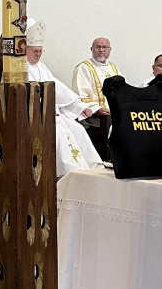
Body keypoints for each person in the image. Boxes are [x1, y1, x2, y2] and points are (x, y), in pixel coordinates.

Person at [25, 19, 102, 174]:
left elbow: (59, 89)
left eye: (41, 51)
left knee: (78, 129)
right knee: (59, 134)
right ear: (25, 50)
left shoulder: (41, 67)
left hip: (52, 113)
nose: (38, 55)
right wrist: (44, 109)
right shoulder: (18, 69)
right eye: (35, 51)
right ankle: (69, 170)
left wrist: (80, 107)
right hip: (34, 116)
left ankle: (91, 167)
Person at [72, 37, 123, 114]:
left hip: (115, 113)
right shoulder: (84, 68)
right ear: (91, 49)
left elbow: (122, 91)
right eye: (98, 47)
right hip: (96, 115)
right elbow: (81, 94)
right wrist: (96, 109)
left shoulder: (113, 67)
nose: (101, 50)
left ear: (110, 49)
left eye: (104, 47)